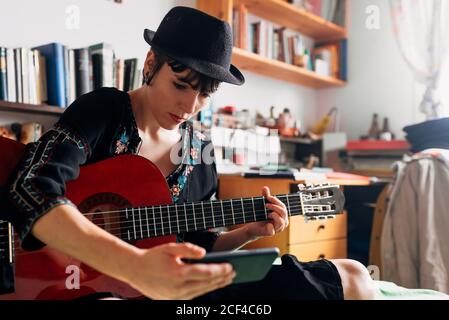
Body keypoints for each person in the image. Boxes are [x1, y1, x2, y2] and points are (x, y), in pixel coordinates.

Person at [3, 6, 375, 300]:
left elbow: (198, 244)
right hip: (78, 283)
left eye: (205, 94)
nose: (189, 104)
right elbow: (31, 190)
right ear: (151, 64)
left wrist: (246, 233)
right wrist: (134, 266)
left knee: (354, 277)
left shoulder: (200, 151)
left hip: (169, 287)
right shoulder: (103, 111)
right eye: (180, 84)